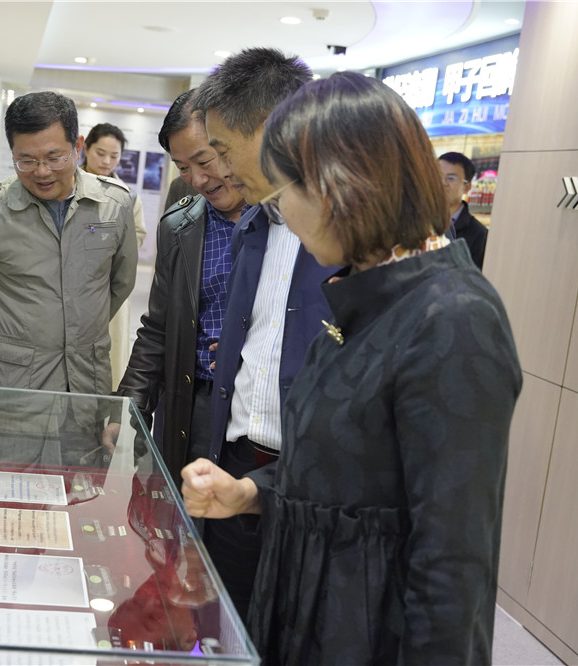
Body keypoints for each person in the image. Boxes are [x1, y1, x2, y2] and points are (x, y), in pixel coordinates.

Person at [182, 72, 523, 664]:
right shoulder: (366, 292)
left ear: (340, 188)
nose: (282, 213)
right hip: (309, 610)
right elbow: (343, 476)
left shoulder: (453, 318)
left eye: (285, 193)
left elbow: (451, 564)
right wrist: (250, 493)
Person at [190, 47, 336, 619]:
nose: (220, 170)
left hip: (311, 484)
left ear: (272, 128)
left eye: (224, 150)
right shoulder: (253, 225)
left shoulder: (345, 239)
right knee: (226, 618)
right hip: (237, 467)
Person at [0, 91, 137, 395]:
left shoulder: (114, 204)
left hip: (87, 379)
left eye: (54, 158)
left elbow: (120, 283)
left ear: (78, 147)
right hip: (13, 384)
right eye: (26, 160)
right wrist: (11, 345)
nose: (42, 172)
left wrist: (78, 332)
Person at [106, 89, 247, 480]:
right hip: (190, 403)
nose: (197, 180)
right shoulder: (179, 226)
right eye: (183, 167)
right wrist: (130, 406)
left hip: (255, 414)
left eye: (204, 161)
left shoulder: (286, 224)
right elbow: (157, 328)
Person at [81, 122, 147, 390]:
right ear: (85, 148)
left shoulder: (128, 196)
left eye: (114, 155)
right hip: (68, 281)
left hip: (110, 282)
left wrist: (107, 243)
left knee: (107, 356)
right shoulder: (65, 186)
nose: (107, 161)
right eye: (100, 153)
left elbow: (138, 234)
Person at [439, 151, 488, 269]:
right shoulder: (417, 223)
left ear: (467, 187)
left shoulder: (479, 235)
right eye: (437, 176)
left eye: (451, 178)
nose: (442, 183)